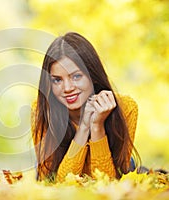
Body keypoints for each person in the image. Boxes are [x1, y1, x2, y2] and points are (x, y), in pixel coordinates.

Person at [31, 32, 140, 182]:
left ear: (92, 76)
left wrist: (97, 126)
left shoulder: (126, 108)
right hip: (61, 175)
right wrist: (83, 127)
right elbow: (57, 184)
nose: (67, 88)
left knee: (131, 170)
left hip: (117, 170)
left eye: (76, 76)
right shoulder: (42, 111)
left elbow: (108, 184)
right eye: (57, 80)